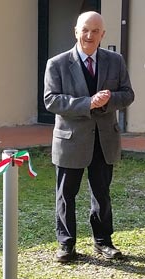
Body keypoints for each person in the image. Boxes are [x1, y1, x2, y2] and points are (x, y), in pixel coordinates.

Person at [44, 11, 134, 263]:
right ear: (76, 31)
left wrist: (108, 101)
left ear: (103, 34)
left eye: (95, 31)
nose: (89, 35)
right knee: (66, 194)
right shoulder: (57, 63)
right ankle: (66, 244)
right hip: (71, 139)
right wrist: (88, 103)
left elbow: (127, 94)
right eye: (85, 30)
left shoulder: (115, 61)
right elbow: (51, 100)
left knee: (101, 192)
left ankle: (103, 242)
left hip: (104, 140)